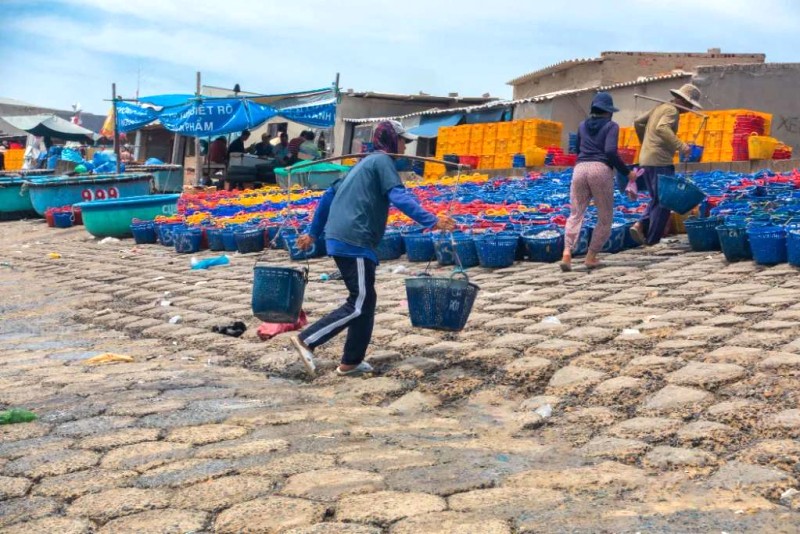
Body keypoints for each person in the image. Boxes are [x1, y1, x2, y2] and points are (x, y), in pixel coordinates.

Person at [290, 120, 456, 377]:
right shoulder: (381, 162)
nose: (405, 147)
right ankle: (307, 340)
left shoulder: (362, 164)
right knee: (359, 302)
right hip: (352, 239)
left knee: (366, 302)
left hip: (345, 238)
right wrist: (431, 220)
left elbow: (327, 197)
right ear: (392, 141)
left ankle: (351, 362)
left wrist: (313, 234)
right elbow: (398, 195)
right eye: (403, 141)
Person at [561, 92, 637, 272]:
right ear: (609, 112)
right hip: (600, 170)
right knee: (604, 216)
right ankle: (591, 257)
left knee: (576, 213)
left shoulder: (581, 125)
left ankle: (566, 253)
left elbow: (577, 149)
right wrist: (627, 172)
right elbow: (610, 152)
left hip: (580, 169)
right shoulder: (611, 126)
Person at [629, 84, 702, 246]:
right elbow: (662, 128)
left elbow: (638, 123)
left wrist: (646, 144)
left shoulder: (659, 107)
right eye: (689, 106)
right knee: (665, 202)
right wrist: (682, 146)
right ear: (682, 101)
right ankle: (652, 240)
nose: (689, 110)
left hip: (646, 160)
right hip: (660, 162)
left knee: (656, 198)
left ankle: (640, 225)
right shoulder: (672, 111)